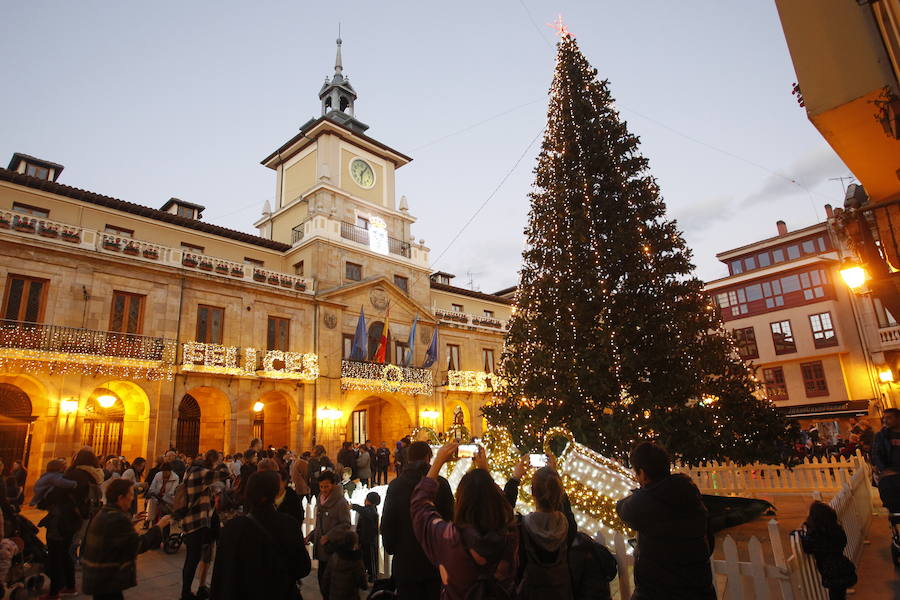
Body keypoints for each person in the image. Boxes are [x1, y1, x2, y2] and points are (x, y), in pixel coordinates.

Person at [411, 441, 518, 600]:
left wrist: (438, 462)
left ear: (460, 501)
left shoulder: (449, 538)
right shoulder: (511, 536)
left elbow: (420, 506)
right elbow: (504, 506)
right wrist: (484, 474)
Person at [616, 441, 715, 599]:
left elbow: (623, 509)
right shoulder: (689, 492)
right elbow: (709, 539)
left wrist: (642, 491)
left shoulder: (645, 501)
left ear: (643, 473)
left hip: (657, 592)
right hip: (699, 590)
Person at [211, 471, 310, 600]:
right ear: (274, 493)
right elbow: (303, 567)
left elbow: (219, 576)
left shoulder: (232, 529)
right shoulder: (288, 525)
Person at [382, 440, 455, 600]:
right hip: (434, 562)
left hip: (406, 562)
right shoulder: (441, 484)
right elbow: (450, 519)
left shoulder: (396, 485)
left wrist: (393, 548)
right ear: (428, 457)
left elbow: (387, 523)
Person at [81, 479, 171, 600]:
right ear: (121, 497)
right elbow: (137, 545)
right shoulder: (118, 519)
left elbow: (113, 534)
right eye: (130, 494)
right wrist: (159, 526)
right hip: (107, 578)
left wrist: (131, 521)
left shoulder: (105, 512)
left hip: (99, 576)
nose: (133, 498)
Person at [504, 457, 577, 600]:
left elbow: (503, 513)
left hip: (531, 592)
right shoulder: (567, 525)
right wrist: (554, 476)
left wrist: (515, 478)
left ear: (532, 492)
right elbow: (566, 509)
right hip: (561, 592)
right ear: (559, 492)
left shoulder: (522, 526)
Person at [39, 448, 103, 600]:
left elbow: (56, 494)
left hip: (62, 518)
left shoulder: (74, 474)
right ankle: (70, 586)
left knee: (55, 554)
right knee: (65, 552)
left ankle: (55, 591)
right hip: (76, 519)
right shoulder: (93, 476)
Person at [178, 449, 225, 600]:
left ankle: (198, 588)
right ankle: (185, 593)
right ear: (213, 461)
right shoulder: (200, 472)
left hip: (201, 519)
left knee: (199, 555)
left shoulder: (191, 469)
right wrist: (221, 464)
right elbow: (223, 473)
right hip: (195, 520)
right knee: (192, 558)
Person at [306, 470, 350, 599]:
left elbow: (345, 524)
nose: (324, 489)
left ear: (333, 485)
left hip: (333, 549)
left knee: (331, 584)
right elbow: (320, 524)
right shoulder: (321, 500)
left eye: (327, 486)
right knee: (322, 581)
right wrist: (312, 535)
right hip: (322, 549)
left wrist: (329, 536)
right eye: (321, 487)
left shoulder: (341, 503)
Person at [799, 501, 857, 599]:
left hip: (832, 571)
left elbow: (808, 547)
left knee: (835, 595)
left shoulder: (818, 536)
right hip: (842, 566)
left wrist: (803, 534)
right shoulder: (835, 530)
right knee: (839, 595)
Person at [322, 527, 368, 600]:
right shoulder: (356, 561)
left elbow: (326, 580)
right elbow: (364, 585)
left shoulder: (334, 557)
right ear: (355, 544)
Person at [873, 408, 900, 513]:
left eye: (889, 418)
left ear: (898, 419)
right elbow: (876, 454)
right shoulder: (881, 436)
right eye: (884, 418)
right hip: (891, 472)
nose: (885, 420)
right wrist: (884, 470)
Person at [351, 491, 381, 582]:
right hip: (363, 539)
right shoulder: (367, 510)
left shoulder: (371, 510)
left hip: (370, 540)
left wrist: (354, 506)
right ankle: (364, 575)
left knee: (371, 559)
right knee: (363, 559)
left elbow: (365, 512)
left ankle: (373, 576)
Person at [147, 462, 179, 527]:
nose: (164, 474)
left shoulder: (175, 478)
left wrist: (164, 497)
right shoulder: (158, 475)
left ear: (170, 471)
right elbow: (152, 487)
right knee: (154, 518)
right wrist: (155, 493)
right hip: (156, 499)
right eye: (163, 472)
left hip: (167, 502)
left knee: (165, 519)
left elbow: (172, 491)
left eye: (166, 472)